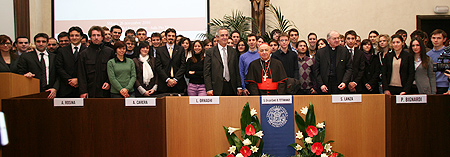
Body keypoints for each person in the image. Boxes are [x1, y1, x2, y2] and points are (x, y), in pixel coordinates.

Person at [17, 33, 58, 98]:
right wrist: (25, 75)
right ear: (35, 43)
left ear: (47, 43)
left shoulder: (54, 57)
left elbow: (58, 75)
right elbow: (20, 73)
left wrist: (55, 88)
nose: (41, 44)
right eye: (38, 41)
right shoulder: (26, 56)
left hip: (50, 91)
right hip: (32, 90)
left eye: (43, 41)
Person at [78, 26, 115, 98]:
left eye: (98, 35)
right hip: (90, 89)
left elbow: (113, 70)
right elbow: (81, 74)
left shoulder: (109, 52)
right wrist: (83, 91)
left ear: (102, 37)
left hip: (106, 90)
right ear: (90, 37)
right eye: (93, 35)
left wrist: (108, 82)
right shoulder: (84, 54)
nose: (96, 38)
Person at [204, 28, 243, 96]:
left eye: (226, 35)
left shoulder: (233, 51)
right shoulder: (210, 52)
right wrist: (209, 88)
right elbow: (207, 72)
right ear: (217, 37)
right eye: (222, 35)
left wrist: (239, 86)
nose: (224, 37)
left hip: (231, 86)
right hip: (216, 87)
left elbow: (237, 70)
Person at [55, 26, 87, 98]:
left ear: (81, 37)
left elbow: (88, 68)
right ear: (69, 37)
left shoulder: (87, 51)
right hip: (66, 87)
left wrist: (78, 80)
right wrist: (70, 80)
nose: (74, 38)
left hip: (82, 88)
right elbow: (59, 67)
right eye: (72, 35)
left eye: (77, 35)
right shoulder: (62, 51)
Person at [155, 28, 187, 95]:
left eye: (173, 36)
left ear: (175, 37)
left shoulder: (180, 49)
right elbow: (158, 66)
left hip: (178, 83)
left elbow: (183, 65)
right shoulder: (160, 50)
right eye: (169, 36)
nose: (171, 38)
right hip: (164, 83)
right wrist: (167, 79)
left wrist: (175, 79)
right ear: (165, 37)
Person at [426, 29, 449, 94]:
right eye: (434, 38)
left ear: (444, 39)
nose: (436, 40)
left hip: (445, 86)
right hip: (431, 86)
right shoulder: (427, 55)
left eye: (439, 38)